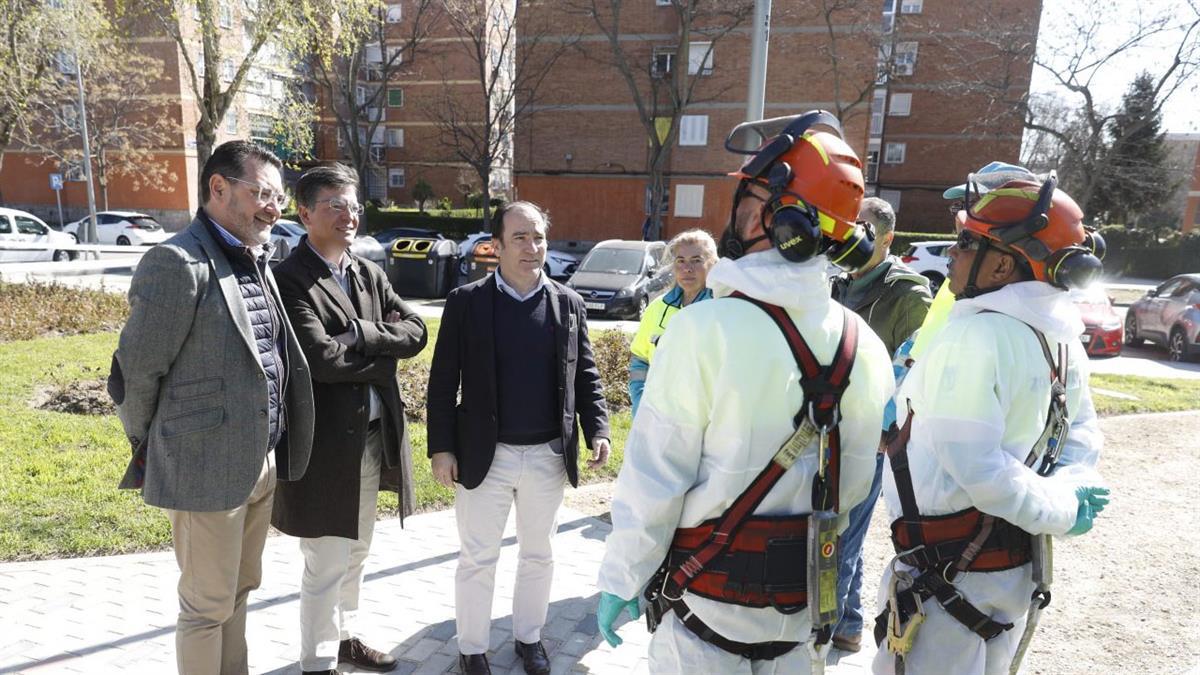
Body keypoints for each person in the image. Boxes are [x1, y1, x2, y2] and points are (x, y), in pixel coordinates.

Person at [596, 111, 894, 673]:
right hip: (802, 625)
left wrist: (622, 577)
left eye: (747, 197)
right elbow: (853, 488)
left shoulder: (703, 329)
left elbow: (656, 478)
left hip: (707, 616)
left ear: (770, 215)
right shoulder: (865, 344)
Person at [871, 174, 1110, 675]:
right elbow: (1079, 442)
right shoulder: (1062, 338)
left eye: (965, 242)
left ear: (1002, 264)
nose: (951, 253)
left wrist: (1062, 507)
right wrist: (1067, 493)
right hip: (1003, 574)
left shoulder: (976, 336)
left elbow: (979, 471)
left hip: (946, 579)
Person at [107, 140, 315, 675]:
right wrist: (159, 443)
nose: (274, 208)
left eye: (279, 197)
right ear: (218, 188)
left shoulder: (255, 258)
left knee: (240, 591)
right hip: (203, 466)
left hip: (261, 462)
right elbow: (136, 374)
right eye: (263, 193)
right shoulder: (177, 262)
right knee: (206, 607)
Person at [426, 201, 611, 675]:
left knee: (539, 554)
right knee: (477, 558)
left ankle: (530, 639)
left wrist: (598, 428)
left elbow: (585, 374)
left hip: (548, 455)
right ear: (496, 246)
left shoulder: (567, 302)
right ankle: (472, 648)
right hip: (484, 455)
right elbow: (443, 380)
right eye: (520, 238)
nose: (532, 248)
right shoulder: (467, 301)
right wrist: (442, 448)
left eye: (539, 237)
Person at [270, 164, 428, 675]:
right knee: (326, 561)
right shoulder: (290, 279)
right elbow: (320, 360)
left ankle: (345, 639)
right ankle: (317, 663)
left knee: (356, 552)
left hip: (373, 438)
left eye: (354, 206)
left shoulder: (367, 272)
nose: (349, 215)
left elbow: (417, 331)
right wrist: (384, 352)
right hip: (324, 448)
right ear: (304, 213)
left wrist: (360, 334)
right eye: (335, 205)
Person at [827, 197, 931, 654]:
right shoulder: (836, 284)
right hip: (828, 426)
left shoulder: (907, 292)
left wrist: (888, 430)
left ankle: (822, 630)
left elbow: (919, 365)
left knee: (839, 535)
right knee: (838, 531)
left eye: (865, 230)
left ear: (888, 239)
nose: (853, 237)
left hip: (870, 435)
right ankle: (847, 623)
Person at [627, 228, 717, 415]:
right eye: (680, 261)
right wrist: (640, 402)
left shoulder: (720, 309)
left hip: (703, 421)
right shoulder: (657, 308)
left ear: (712, 263)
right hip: (657, 419)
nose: (687, 269)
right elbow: (640, 359)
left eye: (696, 260)